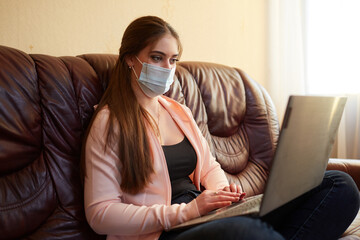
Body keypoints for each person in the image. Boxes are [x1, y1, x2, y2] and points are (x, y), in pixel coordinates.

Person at [82, 16, 359, 240]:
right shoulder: (110, 122)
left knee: (339, 185)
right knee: (248, 233)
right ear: (130, 58)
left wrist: (223, 193)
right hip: (164, 231)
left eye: (173, 59)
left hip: (206, 216)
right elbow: (100, 214)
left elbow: (210, 167)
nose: (167, 68)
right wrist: (186, 211)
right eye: (157, 57)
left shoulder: (178, 111)